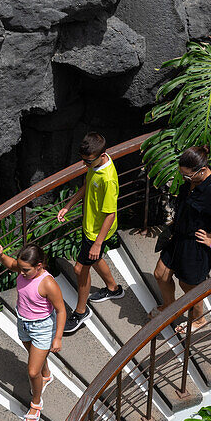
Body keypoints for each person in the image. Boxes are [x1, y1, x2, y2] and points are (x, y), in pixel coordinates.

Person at [153, 145, 211, 335]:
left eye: (187, 176)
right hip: (179, 237)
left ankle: (199, 319)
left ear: (201, 171)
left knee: (189, 285)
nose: (183, 179)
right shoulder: (194, 181)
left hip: (196, 246)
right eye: (182, 175)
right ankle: (170, 307)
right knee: (161, 274)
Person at [0, 242, 66, 421]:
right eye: (21, 269)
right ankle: (46, 375)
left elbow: (61, 310)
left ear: (39, 266)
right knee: (35, 359)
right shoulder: (23, 268)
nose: (21, 273)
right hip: (23, 322)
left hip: (42, 328)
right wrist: (1, 255)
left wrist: (57, 337)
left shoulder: (48, 283)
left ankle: (36, 403)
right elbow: (10, 264)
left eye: (26, 270)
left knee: (33, 371)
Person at [58, 132, 124, 334]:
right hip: (90, 226)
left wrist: (97, 242)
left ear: (102, 154)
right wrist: (68, 206)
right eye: (83, 160)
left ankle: (81, 311)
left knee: (80, 269)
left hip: (96, 232)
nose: (84, 164)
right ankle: (114, 289)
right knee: (94, 260)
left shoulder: (108, 179)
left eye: (88, 161)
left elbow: (110, 214)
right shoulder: (95, 166)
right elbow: (86, 187)